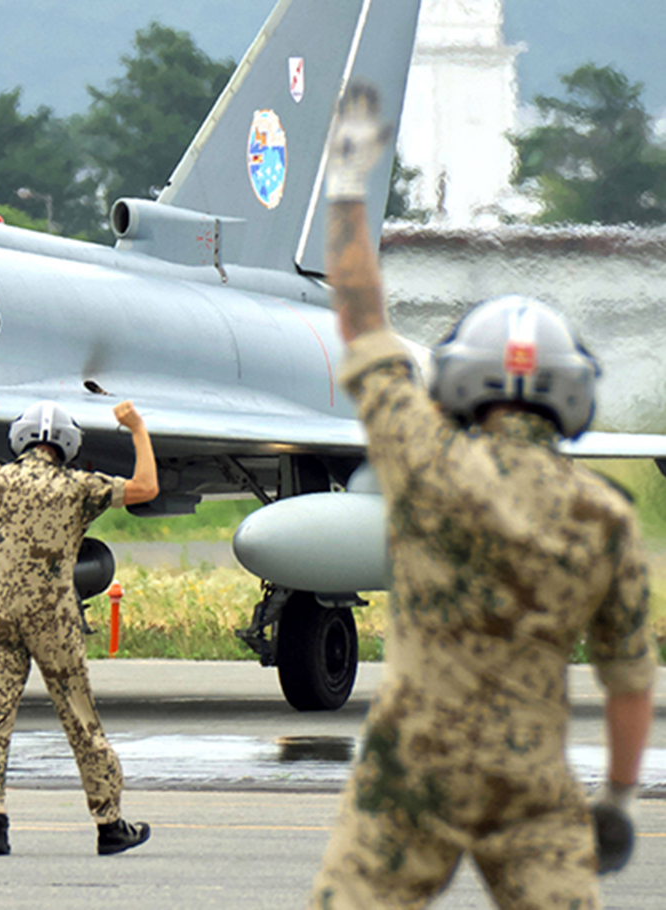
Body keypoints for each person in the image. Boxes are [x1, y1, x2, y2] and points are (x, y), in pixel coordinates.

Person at [309, 83, 656, 909]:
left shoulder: (422, 458)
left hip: (411, 774)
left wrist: (348, 186)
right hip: (529, 783)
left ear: (460, 380)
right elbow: (629, 683)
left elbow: (359, 312)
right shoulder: (606, 517)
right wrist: (616, 799)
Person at [0, 395, 159, 855]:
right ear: (68, 444)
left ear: (19, 439)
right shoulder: (78, 487)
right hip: (55, 620)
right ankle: (109, 824)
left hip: (0, 615)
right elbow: (146, 487)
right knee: (79, 717)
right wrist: (137, 428)